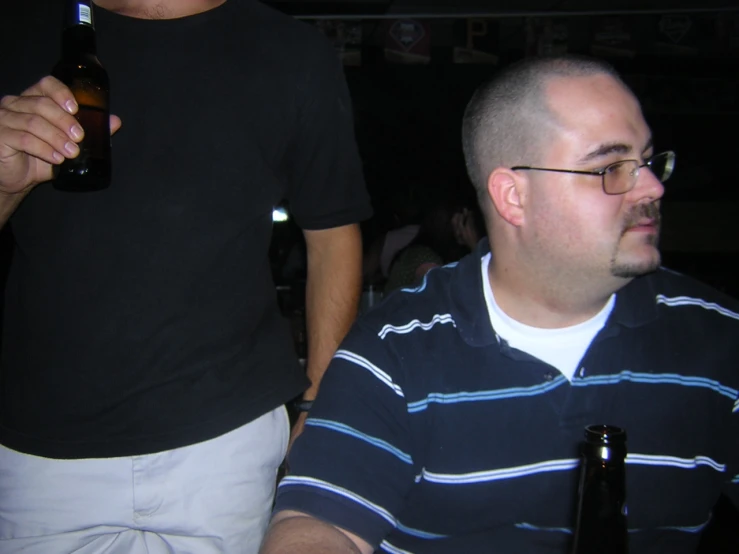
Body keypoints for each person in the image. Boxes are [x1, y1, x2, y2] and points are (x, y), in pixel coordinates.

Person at [260, 55, 739, 554]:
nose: (653, 187)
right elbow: (319, 526)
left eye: (647, 160)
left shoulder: (718, 337)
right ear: (513, 196)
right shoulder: (396, 349)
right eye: (611, 166)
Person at [0, 0, 371, 552]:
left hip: (227, 439)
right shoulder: (17, 32)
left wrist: (321, 405)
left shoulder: (291, 51)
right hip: (39, 445)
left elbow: (332, 231)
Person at [383, 199, 481, 293]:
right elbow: (455, 297)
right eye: (463, 221)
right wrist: (473, 243)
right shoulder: (424, 257)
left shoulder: (425, 253)